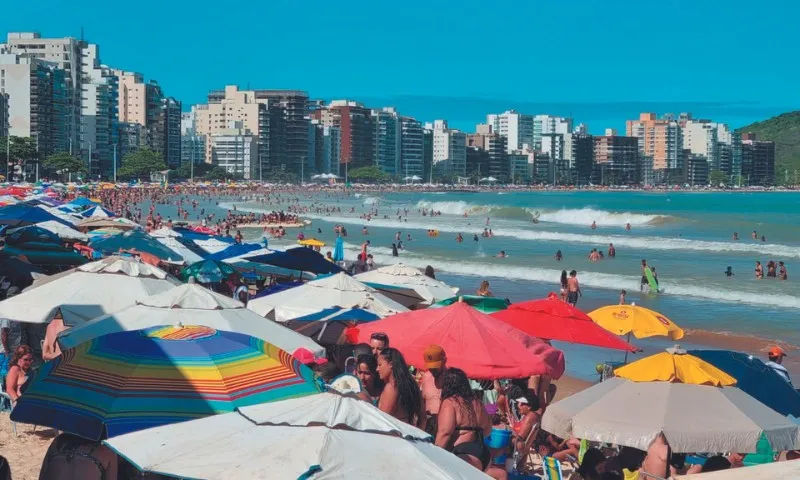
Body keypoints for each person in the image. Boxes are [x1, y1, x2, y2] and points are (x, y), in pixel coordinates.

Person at [435, 368, 494, 475]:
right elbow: (488, 430)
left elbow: (445, 433)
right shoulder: (478, 403)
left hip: (463, 454)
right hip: (483, 455)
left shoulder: (450, 402)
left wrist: (434, 455)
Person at [377, 348, 425, 428]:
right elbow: (423, 417)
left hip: (392, 436)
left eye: (380, 365)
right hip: (408, 434)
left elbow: (383, 420)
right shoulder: (412, 385)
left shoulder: (392, 387)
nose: (377, 369)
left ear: (391, 364)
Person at [420, 345, 448, 436]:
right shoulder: (426, 377)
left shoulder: (452, 378)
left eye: (435, 367)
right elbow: (422, 402)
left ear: (444, 361)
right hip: (428, 426)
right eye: (430, 367)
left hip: (446, 427)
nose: (432, 370)